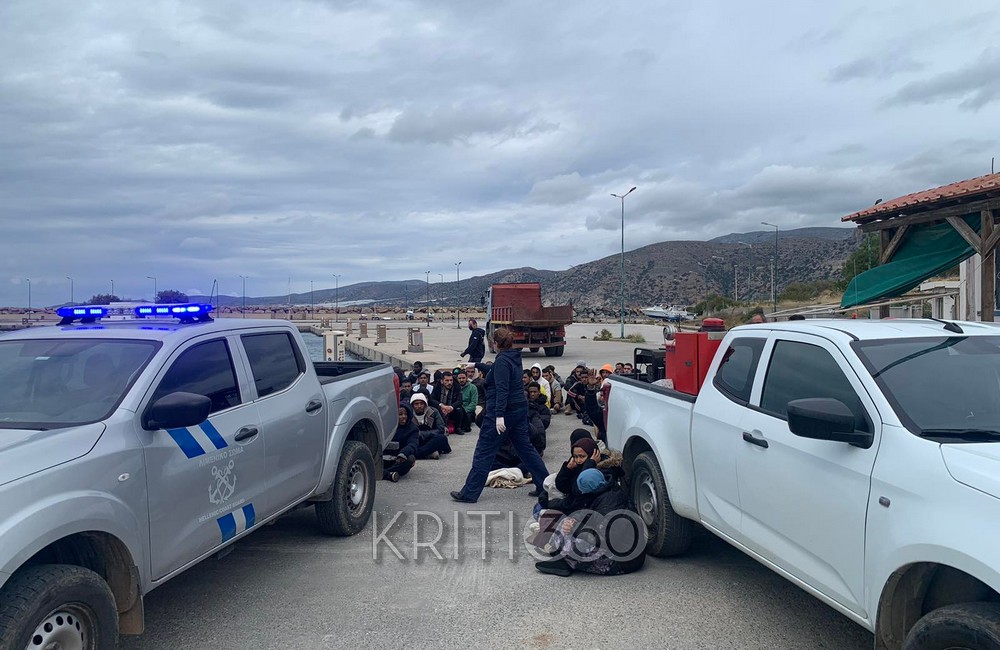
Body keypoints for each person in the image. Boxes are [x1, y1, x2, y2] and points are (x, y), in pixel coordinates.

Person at [451, 328, 550, 503]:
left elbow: (502, 389)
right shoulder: (513, 357)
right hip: (518, 411)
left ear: (496, 343)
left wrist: (499, 416)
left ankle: (470, 493)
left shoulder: (503, 360)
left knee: (484, 451)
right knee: (526, 450)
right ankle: (544, 485)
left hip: (504, 412)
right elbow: (496, 370)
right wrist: (477, 365)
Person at [534, 468, 647, 577]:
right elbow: (588, 514)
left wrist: (575, 527)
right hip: (617, 549)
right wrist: (573, 520)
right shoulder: (605, 491)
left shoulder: (610, 505)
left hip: (622, 560)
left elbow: (604, 539)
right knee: (566, 521)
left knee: (576, 543)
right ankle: (561, 556)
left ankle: (565, 563)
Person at [383, 404, 418, 482]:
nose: (403, 416)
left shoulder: (412, 428)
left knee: (410, 459)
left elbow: (413, 444)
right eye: (400, 414)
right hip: (383, 457)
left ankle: (383, 473)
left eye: (405, 414)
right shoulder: (386, 426)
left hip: (399, 458)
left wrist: (404, 453)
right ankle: (387, 474)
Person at [409, 393, 450, 460]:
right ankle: (428, 453)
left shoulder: (433, 411)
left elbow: (441, 429)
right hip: (416, 439)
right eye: (416, 404)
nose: (419, 406)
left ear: (425, 404)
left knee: (441, 438)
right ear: (412, 405)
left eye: (421, 403)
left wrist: (423, 434)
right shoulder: (409, 414)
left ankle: (417, 454)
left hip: (431, 438)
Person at [526, 381, 550, 453]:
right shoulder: (524, 404)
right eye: (531, 392)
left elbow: (545, 421)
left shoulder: (543, 407)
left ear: (539, 392)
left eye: (535, 392)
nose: (532, 394)